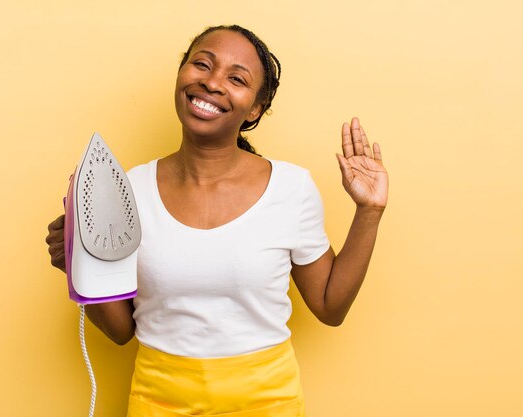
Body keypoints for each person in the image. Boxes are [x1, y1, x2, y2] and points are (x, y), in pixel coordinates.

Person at [45, 24, 388, 417]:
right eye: (201, 65)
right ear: (181, 74)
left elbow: (330, 307)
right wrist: (78, 262)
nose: (211, 83)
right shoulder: (128, 191)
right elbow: (123, 332)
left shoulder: (291, 188)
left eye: (236, 78)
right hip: (158, 403)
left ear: (255, 109)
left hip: (267, 404)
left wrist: (369, 211)